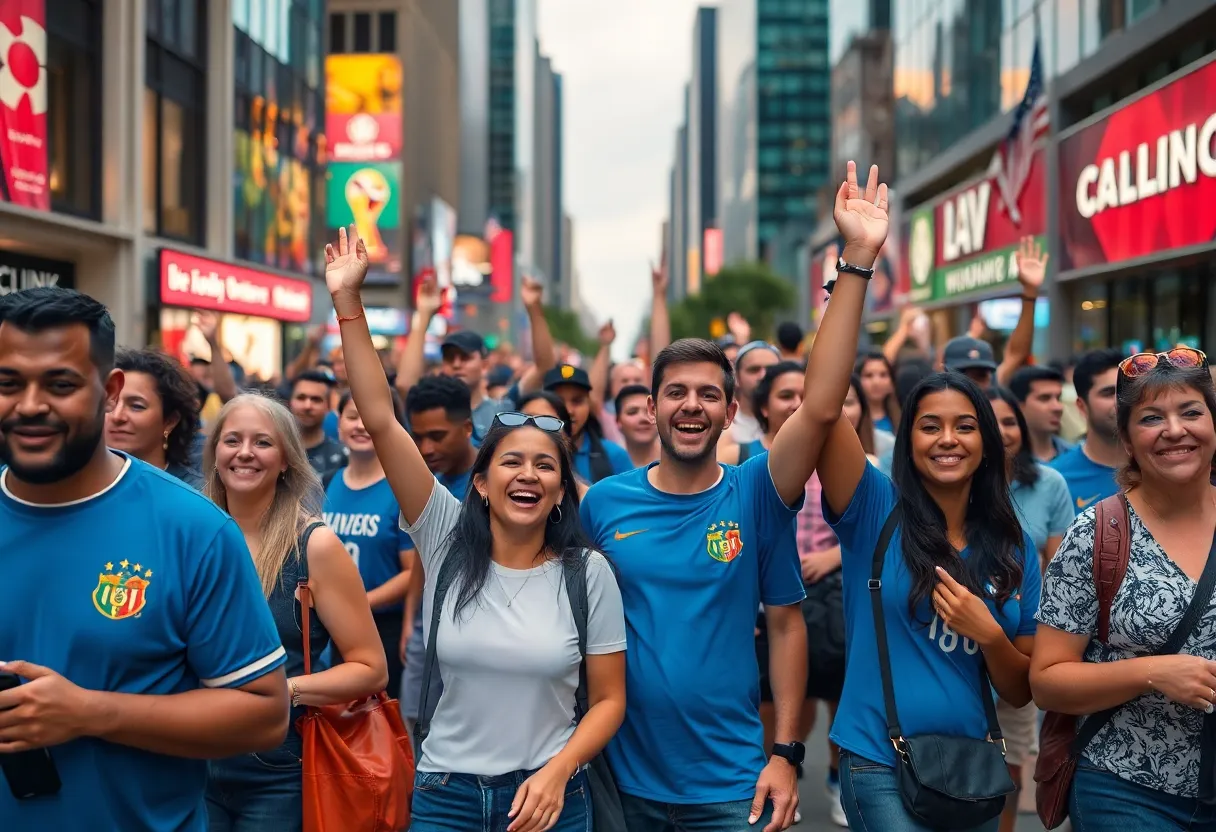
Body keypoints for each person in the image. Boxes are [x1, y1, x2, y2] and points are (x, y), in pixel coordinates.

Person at [327, 225, 627, 831]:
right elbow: (383, 420)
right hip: (445, 799)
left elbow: (611, 700)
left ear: (562, 492)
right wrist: (348, 305)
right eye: (511, 461)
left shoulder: (587, 572)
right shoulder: (442, 537)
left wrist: (558, 770)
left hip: (550, 800)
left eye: (546, 465)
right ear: (482, 484)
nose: (529, 474)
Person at [799, 162, 1040, 832]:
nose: (947, 439)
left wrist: (989, 633)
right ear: (904, 440)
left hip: (972, 767)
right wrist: (857, 263)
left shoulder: (1013, 544)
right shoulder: (875, 507)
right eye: (928, 425)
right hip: (877, 763)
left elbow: (1020, 688)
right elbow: (821, 406)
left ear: (989, 443)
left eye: (966, 426)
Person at [0, 287, 289, 830]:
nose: (30, 404)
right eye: (7, 383)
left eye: (60, 384)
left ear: (108, 392)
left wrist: (88, 712)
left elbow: (263, 715)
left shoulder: (193, 529)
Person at [1033, 346, 1216, 830]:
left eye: (1191, 412)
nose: (1174, 430)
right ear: (1129, 441)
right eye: (1152, 418)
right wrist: (1154, 672)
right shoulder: (1099, 532)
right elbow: (1047, 680)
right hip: (1126, 787)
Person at [203, 392, 388, 830]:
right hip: (190, 757)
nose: (245, 453)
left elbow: (370, 669)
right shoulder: (192, 535)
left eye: (262, 442)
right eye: (232, 440)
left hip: (278, 766)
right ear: (214, 454)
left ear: (286, 459)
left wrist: (278, 692)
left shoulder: (315, 545)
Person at [985, 386, 1075, 832]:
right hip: (956, 647)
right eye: (989, 420)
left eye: (1009, 421)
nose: (1002, 432)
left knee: (1008, 764)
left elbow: (1057, 572)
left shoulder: (1048, 483)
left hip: (1023, 637)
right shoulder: (947, 485)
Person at [396, 374, 480, 731]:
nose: (426, 448)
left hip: (478, 636)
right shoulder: (429, 483)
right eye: (418, 437)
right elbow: (423, 555)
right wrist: (411, 620)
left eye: (437, 436)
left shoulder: (498, 480)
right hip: (427, 633)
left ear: (466, 427)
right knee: (414, 728)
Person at [323, 392, 415, 699]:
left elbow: (412, 572)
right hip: (327, 629)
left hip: (383, 629)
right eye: (351, 416)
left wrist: (360, 602)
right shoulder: (324, 483)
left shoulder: (402, 490)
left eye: (368, 418)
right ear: (338, 426)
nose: (360, 425)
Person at [106, 347, 204, 488]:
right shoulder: (74, 486)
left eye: (137, 406)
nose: (117, 416)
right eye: (110, 403)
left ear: (170, 421)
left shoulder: (197, 494)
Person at [1049, 348, 1124, 511]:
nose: (1120, 400)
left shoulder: (1158, 468)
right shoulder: (1055, 479)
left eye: (1126, 390)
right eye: (1108, 393)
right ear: (1082, 406)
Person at [543, 363, 634, 482]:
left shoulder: (614, 456)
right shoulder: (527, 453)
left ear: (589, 405)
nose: (568, 410)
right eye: (558, 401)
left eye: (577, 401)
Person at [517, 390, 592, 498]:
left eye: (548, 423)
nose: (536, 430)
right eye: (528, 421)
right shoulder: (492, 483)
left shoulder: (585, 498)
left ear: (565, 438)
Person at [289, 369, 348, 480]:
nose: (307, 406)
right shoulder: (275, 452)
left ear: (328, 406)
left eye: (316, 399)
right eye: (301, 398)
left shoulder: (342, 457)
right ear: (290, 402)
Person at [1008, 365, 1072, 463]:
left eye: (1058, 398)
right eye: (1044, 398)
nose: (1058, 407)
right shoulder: (1005, 463)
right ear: (1019, 406)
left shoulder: (1073, 456)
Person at [726, 340, 781, 444]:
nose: (762, 376)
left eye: (771, 370)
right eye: (754, 370)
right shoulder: (723, 428)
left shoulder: (793, 424)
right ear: (736, 377)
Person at [613, 383, 660, 468]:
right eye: (632, 412)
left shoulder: (677, 456)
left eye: (649, 411)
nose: (643, 419)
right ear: (618, 421)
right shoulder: (607, 460)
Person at [854, 352, 901, 433]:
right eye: (868, 375)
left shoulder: (903, 420)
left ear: (892, 382)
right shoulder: (851, 420)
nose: (876, 382)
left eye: (883, 375)